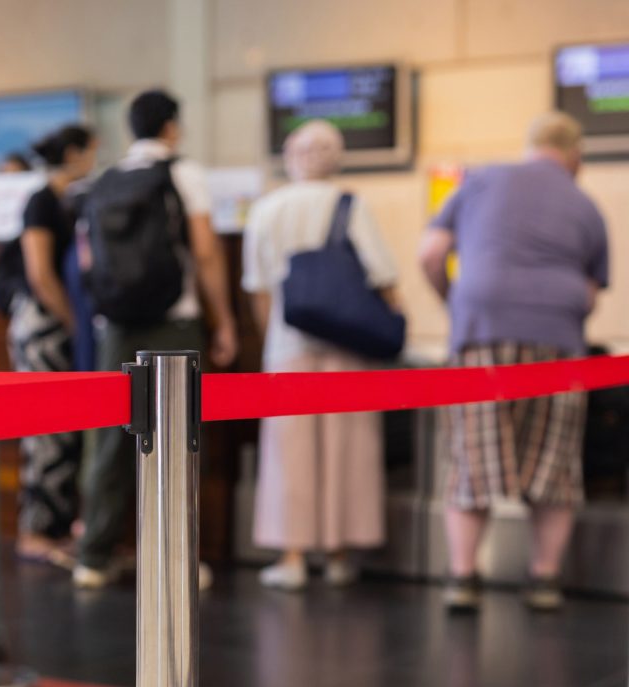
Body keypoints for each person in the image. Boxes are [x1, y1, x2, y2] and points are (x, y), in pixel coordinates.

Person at [419, 111, 609, 613]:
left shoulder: (481, 179)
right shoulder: (584, 203)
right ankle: (544, 581)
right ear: (576, 156)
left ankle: (462, 578)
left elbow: (431, 253)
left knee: (471, 457)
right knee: (554, 463)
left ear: (529, 146)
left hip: (481, 334)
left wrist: (456, 304)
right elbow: (591, 294)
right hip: (559, 343)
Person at [74, 90, 238, 589]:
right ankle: (178, 559)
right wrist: (224, 319)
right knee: (179, 438)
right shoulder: (184, 174)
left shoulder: (103, 180)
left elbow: (86, 260)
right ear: (172, 127)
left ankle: (93, 556)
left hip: (115, 324)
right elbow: (206, 252)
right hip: (175, 317)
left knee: (109, 438)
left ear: (130, 130)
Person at [243, 120, 401, 591]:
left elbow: (258, 289)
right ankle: (337, 552)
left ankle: (291, 556)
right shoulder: (350, 205)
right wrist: (395, 324)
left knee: (288, 450)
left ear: (290, 155)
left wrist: (271, 336)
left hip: (287, 345)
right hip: (346, 344)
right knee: (345, 446)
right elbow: (383, 275)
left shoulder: (267, 209)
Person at [8, 125, 98, 567]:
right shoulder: (42, 201)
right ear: (75, 153)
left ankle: (57, 528)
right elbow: (40, 275)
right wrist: (74, 322)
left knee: (63, 432)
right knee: (45, 430)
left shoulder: (69, 201)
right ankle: (35, 532)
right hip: (44, 326)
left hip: (59, 323)